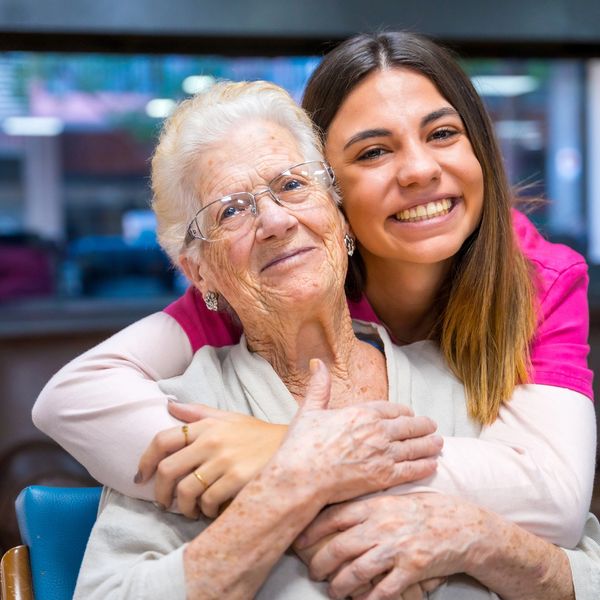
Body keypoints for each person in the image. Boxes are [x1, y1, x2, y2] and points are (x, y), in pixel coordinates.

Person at [34, 32, 597, 596]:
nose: (276, 221)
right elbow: (72, 400)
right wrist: (293, 481)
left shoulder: (475, 381)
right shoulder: (192, 409)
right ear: (199, 270)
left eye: (291, 185)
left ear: (335, 210)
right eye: (231, 210)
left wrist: (459, 526)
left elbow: (572, 541)